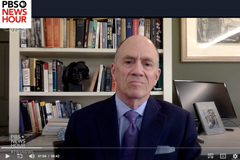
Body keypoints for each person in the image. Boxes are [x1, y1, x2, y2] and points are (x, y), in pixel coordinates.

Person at [60, 35, 201, 160]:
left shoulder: (182, 122)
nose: (138, 71)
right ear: (114, 71)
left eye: (147, 64)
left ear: (156, 76)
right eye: (129, 62)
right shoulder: (81, 121)